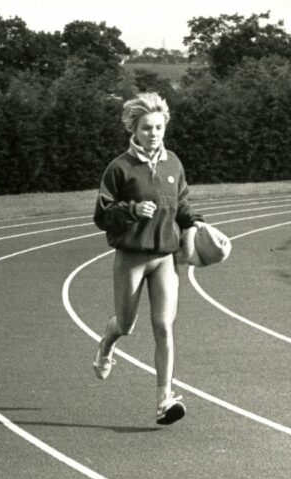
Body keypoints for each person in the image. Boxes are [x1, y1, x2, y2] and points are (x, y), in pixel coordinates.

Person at [92, 92, 204, 425]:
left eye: (158, 127)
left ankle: (164, 400)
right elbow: (101, 215)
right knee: (126, 325)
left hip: (165, 258)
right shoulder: (119, 168)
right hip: (131, 257)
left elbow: (180, 203)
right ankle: (107, 344)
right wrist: (131, 210)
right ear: (134, 129)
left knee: (164, 326)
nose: (153, 133)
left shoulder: (174, 163)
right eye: (146, 128)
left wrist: (195, 221)